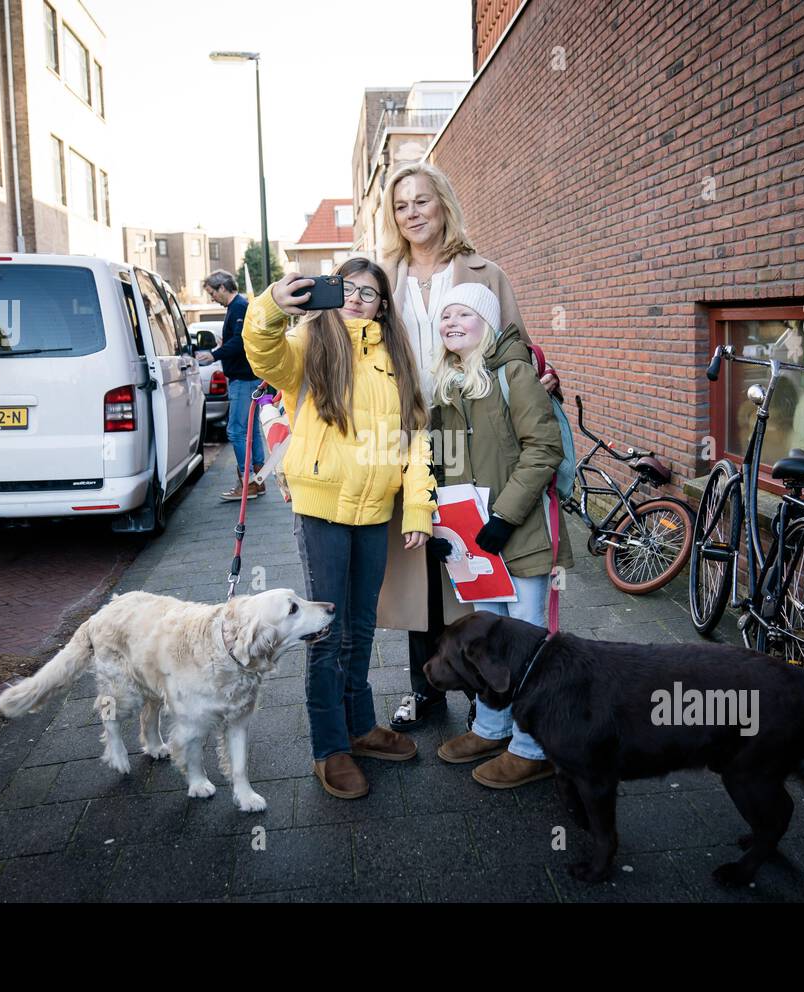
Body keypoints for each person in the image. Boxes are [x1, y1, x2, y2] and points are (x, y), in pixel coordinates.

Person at [374, 161, 559, 731]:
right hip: (408, 434)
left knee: (473, 559)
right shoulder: (381, 278)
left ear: (443, 204)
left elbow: (515, 348)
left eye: (422, 201)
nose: (413, 213)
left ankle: (485, 692)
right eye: (402, 205)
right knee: (419, 563)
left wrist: (537, 382)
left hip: (470, 429)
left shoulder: (484, 271)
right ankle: (425, 689)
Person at [242, 258, 436, 800]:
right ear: (333, 294)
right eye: (347, 289)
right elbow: (263, 352)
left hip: (375, 512)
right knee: (326, 632)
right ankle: (330, 749)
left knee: (362, 627)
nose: (355, 299)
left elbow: (415, 440)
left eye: (369, 294)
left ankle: (360, 726)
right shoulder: (309, 344)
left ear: (383, 305)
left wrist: (417, 509)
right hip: (321, 508)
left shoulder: (398, 358)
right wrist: (272, 306)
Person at [429, 283, 573, 788]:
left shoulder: (514, 373)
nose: (450, 322)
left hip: (523, 532)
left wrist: (505, 517)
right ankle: (493, 727)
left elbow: (542, 450)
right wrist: (441, 526)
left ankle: (533, 748)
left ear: (485, 322)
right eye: (443, 315)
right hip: (474, 544)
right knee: (488, 641)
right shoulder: (446, 386)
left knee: (528, 644)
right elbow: (442, 465)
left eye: (462, 313)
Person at [200, 270, 267, 501]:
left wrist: (214, 354)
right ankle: (258, 480)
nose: (211, 298)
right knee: (251, 430)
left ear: (222, 288)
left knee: (236, 430)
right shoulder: (238, 307)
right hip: (250, 377)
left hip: (243, 379)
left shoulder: (238, 307)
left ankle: (246, 483)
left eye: (211, 293)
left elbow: (240, 341)